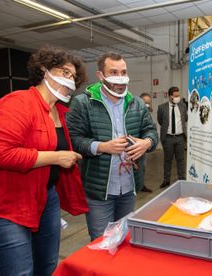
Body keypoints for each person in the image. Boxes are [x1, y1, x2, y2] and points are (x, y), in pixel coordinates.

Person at [0, 46, 88, 275]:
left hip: (45, 198)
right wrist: (56, 157)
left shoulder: (60, 112)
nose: (70, 79)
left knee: (46, 267)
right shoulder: (17, 103)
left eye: (73, 76)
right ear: (44, 70)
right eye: (64, 72)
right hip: (4, 204)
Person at [67, 53, 158, 241]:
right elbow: (73, 140)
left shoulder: (137, 104)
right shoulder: (83, 103)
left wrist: (146, 143)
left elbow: (151, 131)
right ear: (101, 76)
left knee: (124, 239)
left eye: (123, 72)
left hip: (129, 187)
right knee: (102, 243)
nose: (120, 77)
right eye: (113, 72)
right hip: (99, 190)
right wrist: (102, 147)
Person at [157, 86, 187, 188]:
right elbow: (160, 121)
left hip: (180, 138)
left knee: (181, 160)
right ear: (170, 96)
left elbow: (185, 119)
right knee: (167, 160)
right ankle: (166, 180)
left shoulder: (183, 106)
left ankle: (182, 179)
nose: (178, 97)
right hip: (168, 138)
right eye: (175, 96)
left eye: (178, 95)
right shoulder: (162, 107)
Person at [139, 92, 155, 193]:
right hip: (135, 144)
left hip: (144, 145)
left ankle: (141, 185)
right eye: (145, 103)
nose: (147, 105)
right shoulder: (134, 111)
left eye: (149, 103)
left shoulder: (148, 112)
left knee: (143, 167)